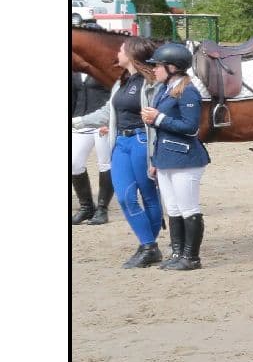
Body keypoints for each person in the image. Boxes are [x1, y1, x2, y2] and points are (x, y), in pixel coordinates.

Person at [142, 41, 212, 271]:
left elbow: (191, 127)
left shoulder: (188, 91)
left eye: (158, 65)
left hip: (185, 158)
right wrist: (156, 160)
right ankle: (177, 252)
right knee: (172, 209)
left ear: (172, 67)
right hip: (166, 158)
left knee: (188, 208)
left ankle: (191, 257)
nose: (154, 69)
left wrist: (158, 118)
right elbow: (160, 132)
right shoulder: (164, 89)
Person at [106, 42, 167, 268]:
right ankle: (149, 245)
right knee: (124, 197)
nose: (118, 53)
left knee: (149, 195)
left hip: (141, 140)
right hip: (121, 143)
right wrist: (81, 121)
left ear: (132, 55)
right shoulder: (121, 82)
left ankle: (148, 247)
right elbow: (109, 111)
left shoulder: (151, 83)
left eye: (121, 50)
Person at [71, 64, 114, 226]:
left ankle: (102, 209)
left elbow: (115, 96)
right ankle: (86, 207)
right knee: (74, 163)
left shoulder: (101, 67)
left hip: (102, 122)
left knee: (105, 163)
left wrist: (110, 121)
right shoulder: (74, 71)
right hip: (80, 120)